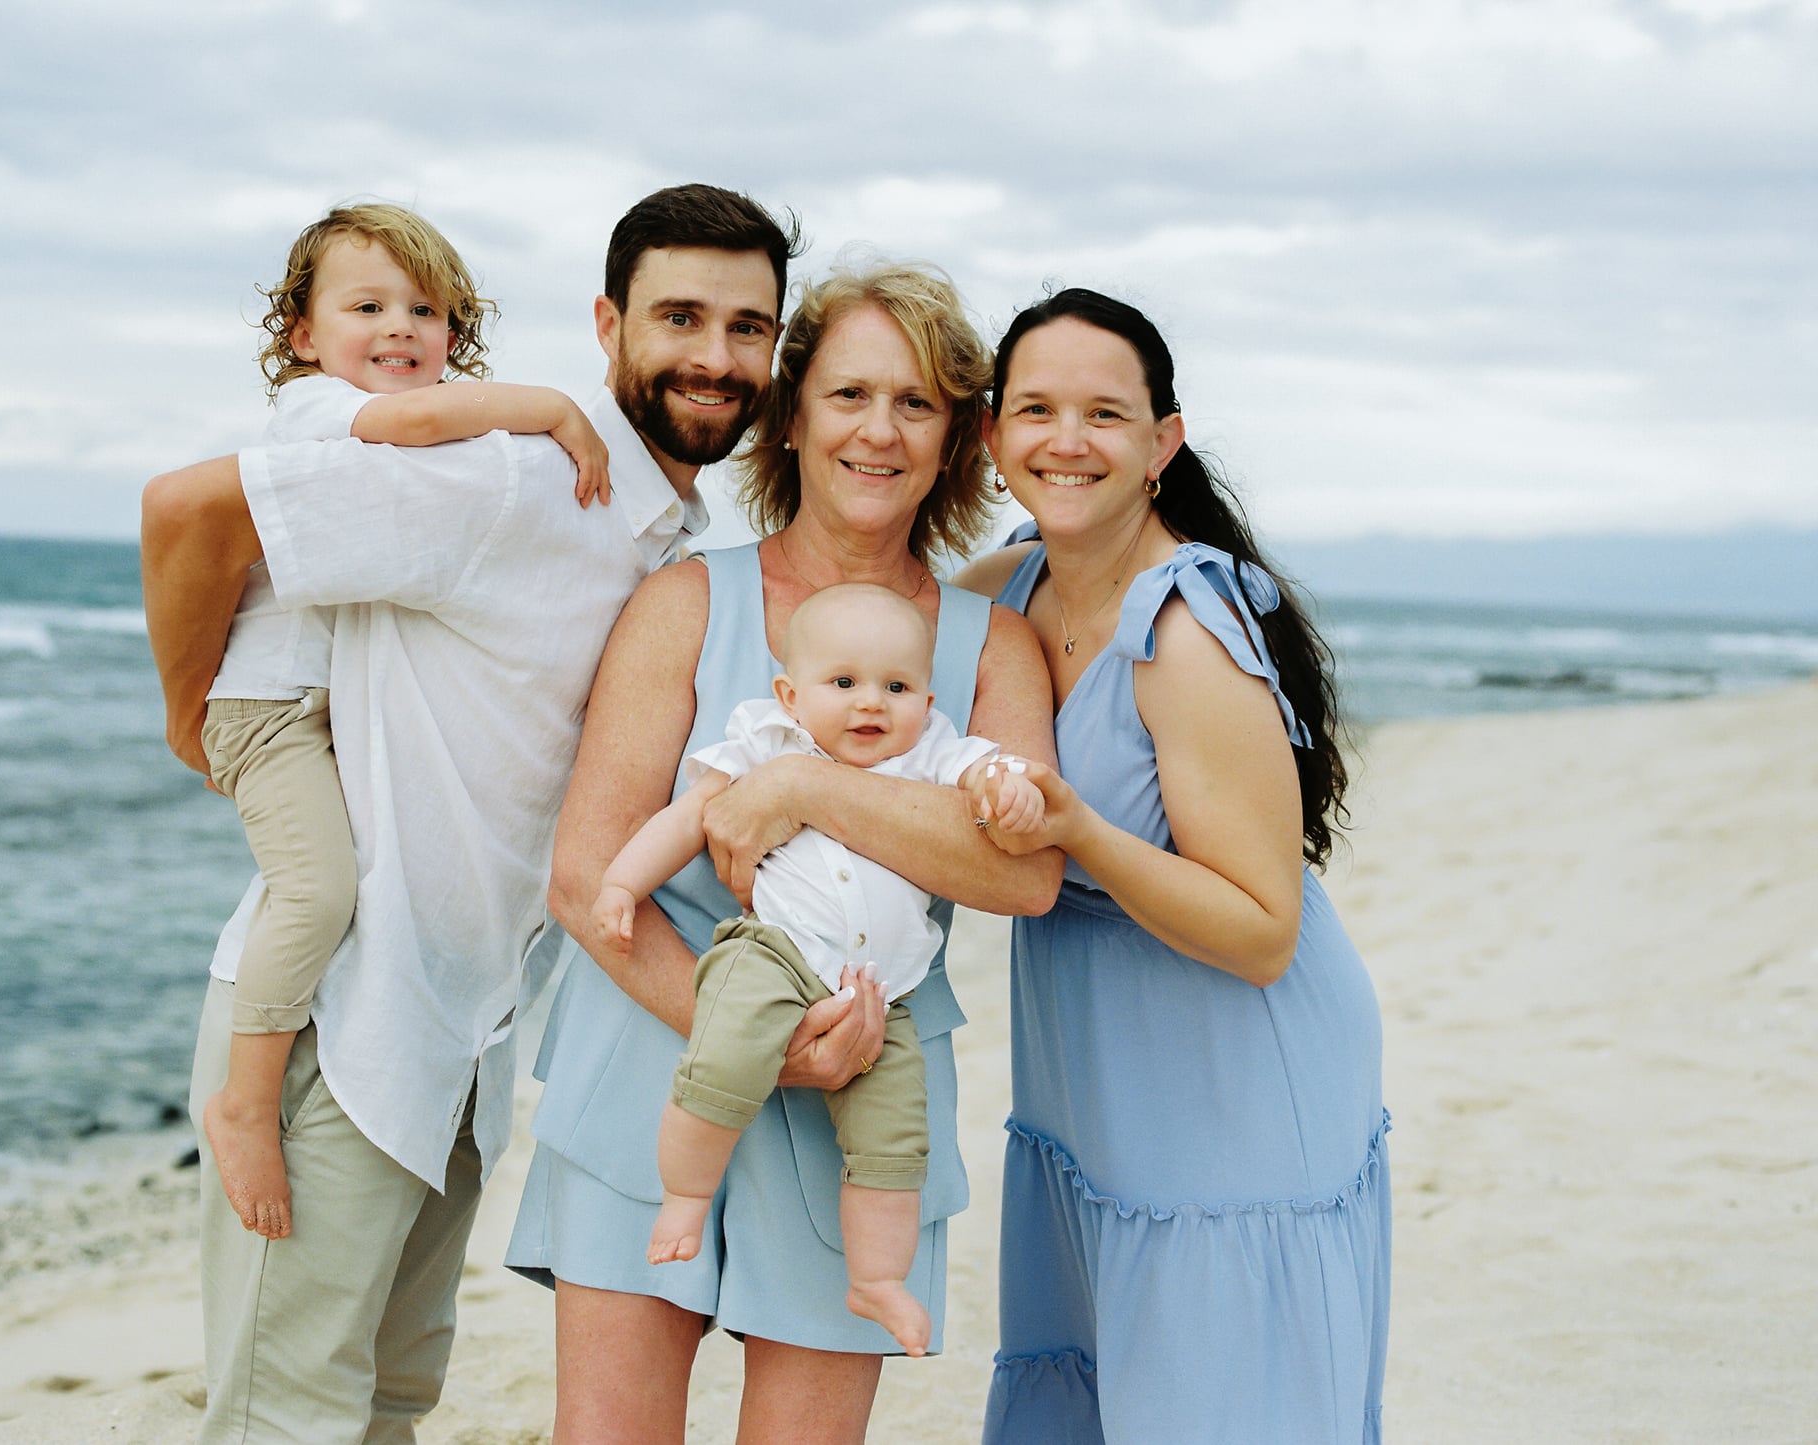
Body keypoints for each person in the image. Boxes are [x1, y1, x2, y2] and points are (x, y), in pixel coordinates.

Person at [140, 182, 801, 1445]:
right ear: (608, 325)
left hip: (461, 1040)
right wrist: (192, 719)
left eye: (748, 326)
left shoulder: (667, 535)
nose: (716, 357)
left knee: (390, 1402)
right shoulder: (511, 482)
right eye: (679, 317)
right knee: (288, 1417)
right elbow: (190, 508)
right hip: (337, 1019)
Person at [513, 261, 1061, 1442]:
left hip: (865, 1075)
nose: (880, 429)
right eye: (850, 393)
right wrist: (752, 1041)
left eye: (916, 403)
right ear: (794, 415)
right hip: (652, 1050)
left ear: (954, 437)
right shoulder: (683, 602)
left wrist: (803, 782)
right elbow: (584, 873)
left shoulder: (995, 647)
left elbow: (1025, 872)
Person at [954, 287, 1391, 1444]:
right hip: (1090, 1071)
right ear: (993, 433)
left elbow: (1264, 929)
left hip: (1230, 1072)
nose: (1067, 439)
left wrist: (1081, 833)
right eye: (1036, 409)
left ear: (1162, 442)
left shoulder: (1186, 631)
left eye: (1104, 412)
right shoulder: (1006, 586)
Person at [198, 202, 612, 1243]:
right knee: (317, 889)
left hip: (319, 710)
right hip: (271, 709)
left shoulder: (404, 444)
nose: (400, 328)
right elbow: (418, 421)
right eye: (368, 306)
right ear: (302, 334)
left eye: (426, 311)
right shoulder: (319, 411)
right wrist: (554, 408)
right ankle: (245, 1099)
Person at [590, 582, 1044, 1356]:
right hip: (775, 952)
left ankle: (878, 1278)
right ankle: (686, 1196)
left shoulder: (932, 749)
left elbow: (988, 772)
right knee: (723, 1057)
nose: (871, 702)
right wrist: (621, 885)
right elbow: (689, 817)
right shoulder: (768, 740)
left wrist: (1011, 789)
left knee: (895, 1138)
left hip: (882, 991)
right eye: (844, 682)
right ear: (790, 695)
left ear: (927, 700)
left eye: (896, 687)